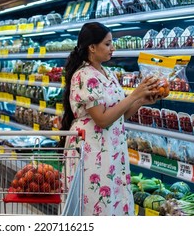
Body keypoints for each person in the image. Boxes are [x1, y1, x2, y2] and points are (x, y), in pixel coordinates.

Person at [59, 22, 161, 216]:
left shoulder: (109, 74)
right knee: (94, 204)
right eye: (108, 43)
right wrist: (133, 95)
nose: (113, 48)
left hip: (111, 150)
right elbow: (102, 120)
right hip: (92, 150)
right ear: (92, 47)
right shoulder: (84, 75)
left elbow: (119, 115)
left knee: (113, 202)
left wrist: (141, 101)